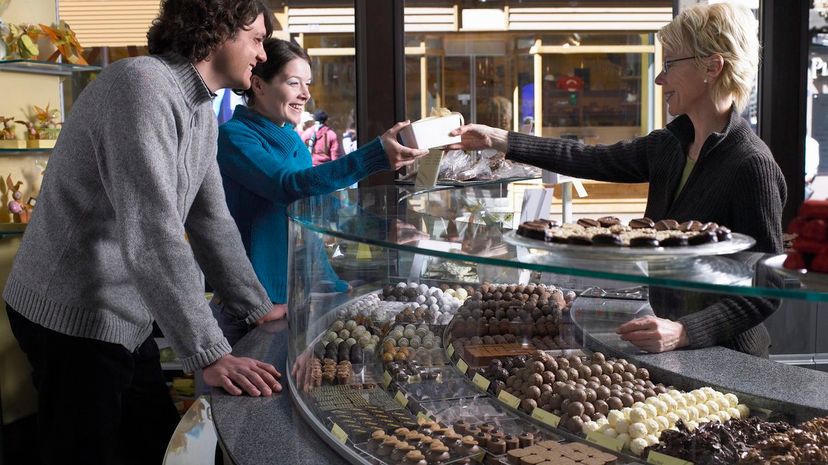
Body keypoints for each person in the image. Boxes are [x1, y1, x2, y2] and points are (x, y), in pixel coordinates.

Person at [1, 1, 286, 464]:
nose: (262, 55)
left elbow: (211, 220)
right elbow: (153, 231)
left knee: (156, 443)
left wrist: (256, 307)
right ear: (217, 32)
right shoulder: (142, 85)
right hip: (71, 311)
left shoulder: (198, 109)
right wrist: (210, 353)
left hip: (123, 309)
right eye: (255, 39)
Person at [448, 3, 786, 358]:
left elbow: (767, 287)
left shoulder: (751, 164)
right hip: (671, 345)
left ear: (712, 67)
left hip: (730, 358)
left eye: (670, 65)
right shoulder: (669, 145)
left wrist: (685, 331)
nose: (659, 79)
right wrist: (500, 139)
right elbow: (588, 158)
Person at [215, 38, 427, 339]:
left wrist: (383, 230)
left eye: (308, 83)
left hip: (294, 301)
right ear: (258, 85)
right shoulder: (234, 137)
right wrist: (375, 154)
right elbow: (289, 187)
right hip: (256, 309)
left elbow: (323, 207)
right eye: (293, 82)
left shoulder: (289, 137)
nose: (305, 94)